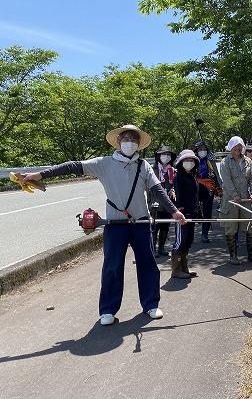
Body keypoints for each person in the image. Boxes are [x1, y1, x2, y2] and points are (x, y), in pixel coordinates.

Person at [21, 125, 187, 326]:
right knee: (112, 267)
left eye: (134, 139)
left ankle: (151, 304)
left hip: (141, 222)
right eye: (126, 138)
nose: (130, 142)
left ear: (138, 144)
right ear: (118, 142)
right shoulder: (103, 163)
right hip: (114, 224)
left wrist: (174, 211)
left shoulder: (143, 166)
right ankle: (108, 309)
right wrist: (41, 175)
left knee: (148, 264)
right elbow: (73, 166)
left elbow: (157, 190)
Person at [219, 136, 252, 264]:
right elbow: (227, 181)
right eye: (235, 147)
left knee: (251, 225)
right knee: (231, 228)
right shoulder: (225, 162)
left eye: (240, 147)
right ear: (230, 148)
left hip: (245, 199)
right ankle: (233, 256)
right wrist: (234, 195)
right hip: (230, 200)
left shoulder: (248, 161)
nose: (238, 149)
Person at [171, 149, 200, 279]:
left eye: (191, 160)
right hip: (182, 214)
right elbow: (178, 195)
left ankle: (184, 268)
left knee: (188, 241)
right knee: (180, 241)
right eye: (186, 160)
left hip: (192, 213)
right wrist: (180, 211)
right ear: (181, 162)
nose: (189, 162)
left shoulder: (192, 176)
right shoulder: (178, 176)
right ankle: (176, 270)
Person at [193, 140, 223, 243]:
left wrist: (220, 187)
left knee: (207, 211)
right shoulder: (192, 160)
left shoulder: (210, 160)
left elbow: (216, 174)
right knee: (194, 210)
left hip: (209, 188)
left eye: (204, 149)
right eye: (200, 149)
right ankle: (189, 234)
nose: (203, 151)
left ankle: (204, 234)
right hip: (195, 188)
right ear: (196, 150)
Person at [149, 145, 176, 257]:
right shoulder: (152, 170)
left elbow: (175, 184)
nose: (166, 156)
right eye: (163, 154)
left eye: (168, 154)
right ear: (158, 156)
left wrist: (173, 190)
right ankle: (153, 249)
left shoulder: (173, 170)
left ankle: (161, 248)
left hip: (168, 203)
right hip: (155, 203)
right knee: (155, 227)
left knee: (165, 226)